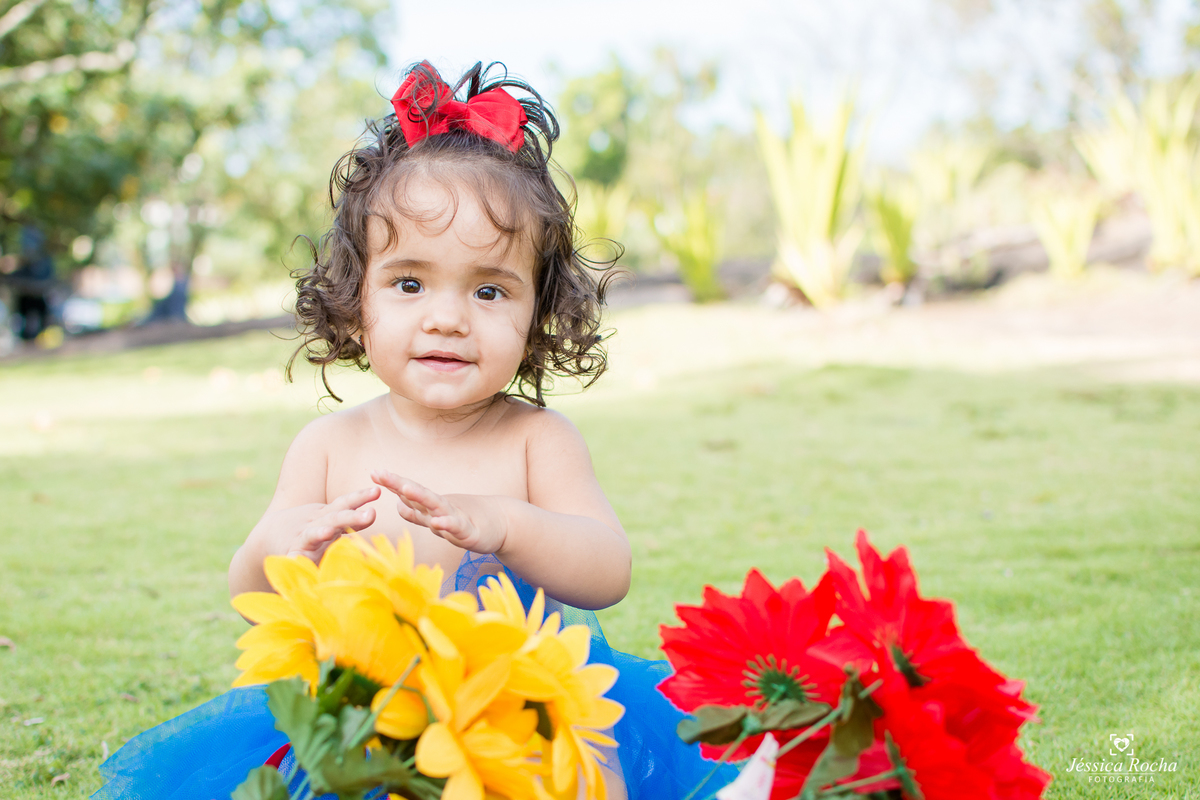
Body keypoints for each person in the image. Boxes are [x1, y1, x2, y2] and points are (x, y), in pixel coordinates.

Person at [93, 62, 733, 800]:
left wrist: (507, 523)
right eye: (409, 283)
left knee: (591, 773)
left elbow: (606, 571)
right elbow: (249, 594)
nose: (447, 316)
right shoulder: (327, 447)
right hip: (368, 720)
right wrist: (281, 545)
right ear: (354, 297)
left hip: (522, 708)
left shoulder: (537, 440)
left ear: (538, 313)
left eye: (490, 289)